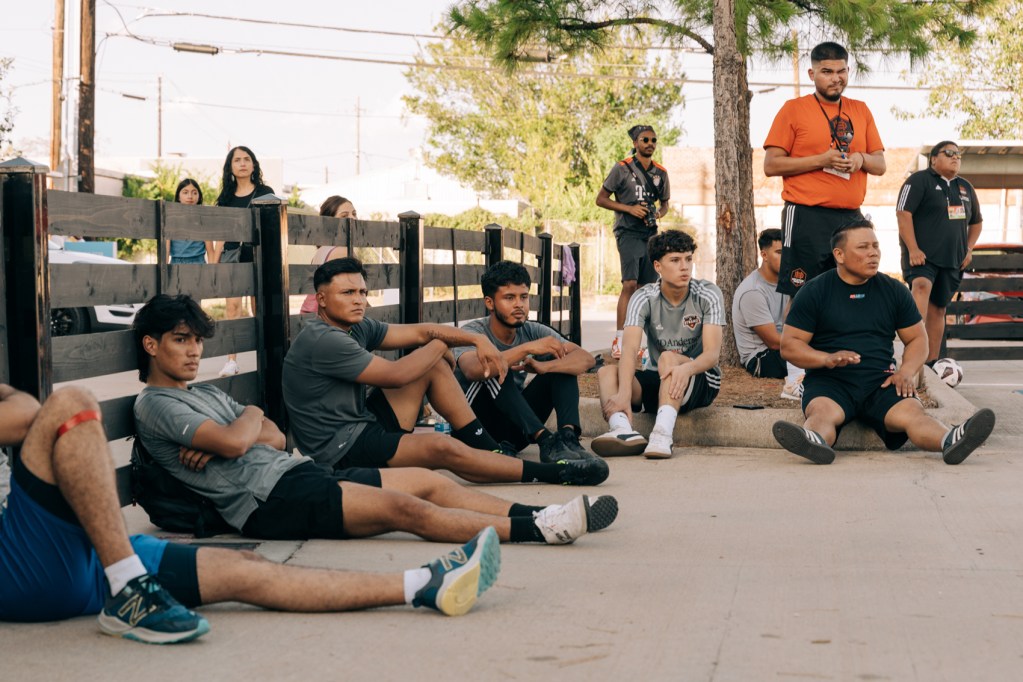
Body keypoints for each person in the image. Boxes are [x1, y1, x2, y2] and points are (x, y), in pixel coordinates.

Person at [0, 385, 503, 646]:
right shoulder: (160, 403)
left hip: (84, 556)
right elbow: (28, 413)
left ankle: (422, 586)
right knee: (71, 403)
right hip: (18, 562)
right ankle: (130, 591)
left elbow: (20, 407)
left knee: (250, 571)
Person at [134, 294, 618, 548]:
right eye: (181, 340)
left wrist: (249, 419)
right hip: (269, 500)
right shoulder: (156, 404)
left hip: (296, 473)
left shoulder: (200, 394)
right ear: (152, 345)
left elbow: (274, 437)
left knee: (424, 482)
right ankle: (540, 531)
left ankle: (535, 514)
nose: (194, 351)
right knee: (405, 509)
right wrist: (242, 427)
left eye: (197, 341)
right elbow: (241, 444)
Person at [283, 258, 610, 487]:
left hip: (362, 423)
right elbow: (396, 375)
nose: (360, 301)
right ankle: (551, 472)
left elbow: (421, 331)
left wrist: (473, 339)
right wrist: (444, 345)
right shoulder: (324, 340)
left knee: (434, 364)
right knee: (443, 448)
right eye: (348, 293)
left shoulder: (358, 327)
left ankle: (488, 449)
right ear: (321, 300)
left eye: (363, 293)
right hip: (340, 450)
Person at [771, 219, 995, 465]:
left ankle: (951, 440)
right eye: (863, 247)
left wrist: (907, 372)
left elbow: (918, 339)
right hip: (830, 381)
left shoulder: (893, 290)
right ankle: (813, 441)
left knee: (913, 413)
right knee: (821, 413)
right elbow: (790, 345)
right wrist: (826, 358)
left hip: (882, 381)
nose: (873, 253)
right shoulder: (814, 291)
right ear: (840, 254)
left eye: (875, 246)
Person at [763, 42, 886, 302]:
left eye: (841, 71)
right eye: (827, 72)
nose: (835, 78)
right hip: (807, 214)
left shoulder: (860, 109)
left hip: (851, 216)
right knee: (803, 294)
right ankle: (796, 344)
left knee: (852, 291)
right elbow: (771, 165)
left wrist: (860, 158)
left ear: (848, 70)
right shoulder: (793, 109)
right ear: (812, 74)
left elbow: (880, 164)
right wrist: (821, 160)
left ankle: (844, 343)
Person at [591, 230, 724, 459]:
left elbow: (712, 355)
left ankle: (662, 435)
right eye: (675, 260)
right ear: (657, 266)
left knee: (668, 358)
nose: (685, 267)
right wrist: (623, 393)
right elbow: (630, 349)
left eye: (688, 259)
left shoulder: (707, 293)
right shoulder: (643, 297)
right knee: (606, 373)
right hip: (661, 378)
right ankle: (622, 429)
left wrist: (687, 368)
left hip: (700, 378)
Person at [453, 260, 598, 463]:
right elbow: (473, 370)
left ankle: (568, 439)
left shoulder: (532, 329)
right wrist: (527, 349)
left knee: (561, 368)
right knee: (494, 369)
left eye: (524, 297)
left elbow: (586, 359)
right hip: (476, 430)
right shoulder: (472, 333)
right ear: (489, 303)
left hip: (515, 432)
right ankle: (546, 440)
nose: (519, 304)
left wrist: (545, 367)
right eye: (509, 298)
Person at [896, 141, 983, 366]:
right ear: (934, 158)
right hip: (922, 257)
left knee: (939, 308)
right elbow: (903, 214)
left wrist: (969, 248)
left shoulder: (965, 187)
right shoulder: (918, 181)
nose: (955, 157)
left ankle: (931, 363)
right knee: (922, 286)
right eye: (949, 153)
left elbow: (976, 223)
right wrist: (913, 249)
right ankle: (912, 357)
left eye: (958, 155)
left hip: (952, 259)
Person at [596, 124, 671, 359]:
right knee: (629, 284)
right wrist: (628, 209)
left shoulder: (661, 173)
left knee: (647, 289)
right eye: (644, 139)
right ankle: (620, 340)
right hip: (627, 231)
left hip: (650, 234)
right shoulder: (621, 168)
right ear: (635, 143)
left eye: (653, 140)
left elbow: (665, 204)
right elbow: (600, 199)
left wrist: (657, 214)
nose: (649, 143)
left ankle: (641, 342)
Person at [214, 146, 275, 378]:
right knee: (232, 308)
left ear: (253, 164)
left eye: (246, 159)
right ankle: (231, 360)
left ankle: (264, 355)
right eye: (237, 160)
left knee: (258, 307)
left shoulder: (265, 192)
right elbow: (220, 234)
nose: (242, 163)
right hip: (233, 256)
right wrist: (216, 263)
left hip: (258, 254)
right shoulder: (226, 198)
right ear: (230, 166)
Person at [300, 195, 357, 315]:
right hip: (324, 319)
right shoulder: (342, 251)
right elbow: (352, 294)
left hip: (309, 316)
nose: (352, 218)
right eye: (344, 215)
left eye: (354, 213)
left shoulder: (322, 249)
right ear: (329, 222)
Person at [169, 178, 213, 265]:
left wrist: (212, 275)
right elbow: (165, 250)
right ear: (178, 196)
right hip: (176, 265)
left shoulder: (203, 219)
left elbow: (210, 251)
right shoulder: (171, 219)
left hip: (199, 265)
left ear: (199, 196)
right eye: (185, 192)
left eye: (194, 193)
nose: (190, 196)